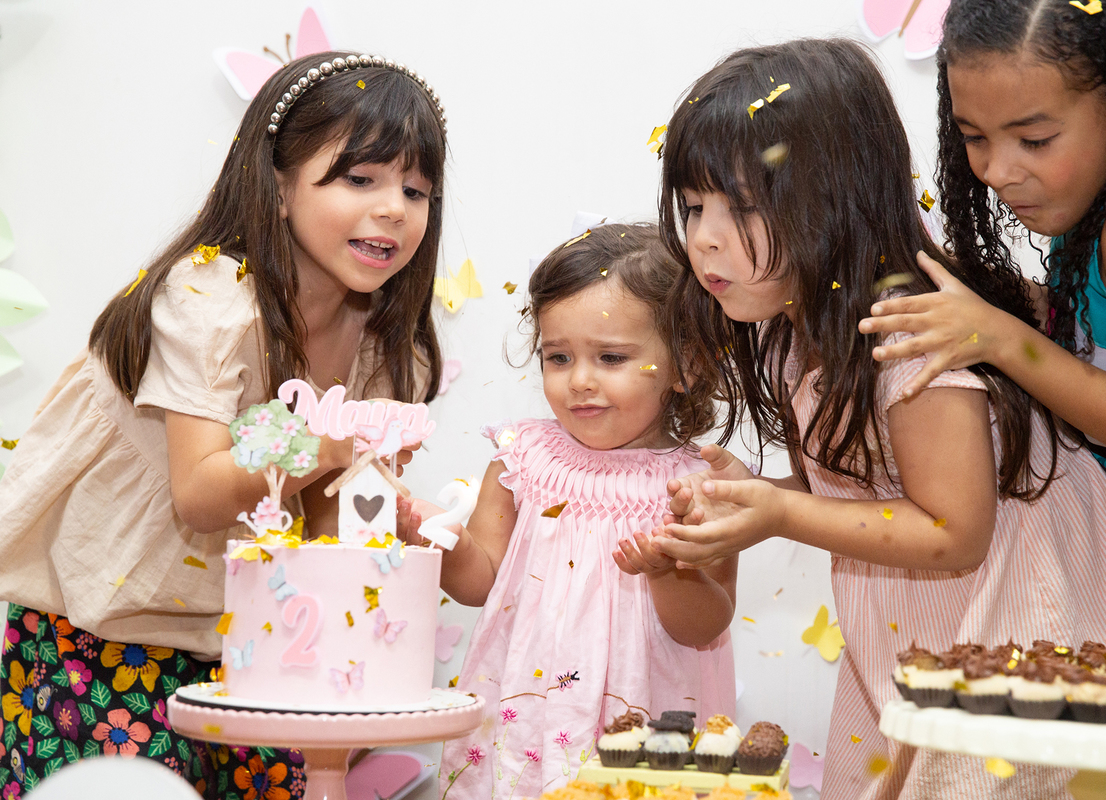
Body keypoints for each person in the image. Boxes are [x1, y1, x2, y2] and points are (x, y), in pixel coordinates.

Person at [650, 39, 1106, 799]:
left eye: (742, 207)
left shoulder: (909, 341)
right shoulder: (794, 330)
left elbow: (953, 533)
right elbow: (862, 482)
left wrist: (779, 512)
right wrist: (758, 487)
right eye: (693, 208)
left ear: (832, 196)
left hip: (1010, 635)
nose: (705, 239)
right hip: (915, 635)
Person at [0, 51, 446, 798]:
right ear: (277, 188)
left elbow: (325, 525)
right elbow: (202, 495)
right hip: (103, 641)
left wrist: (393, 512)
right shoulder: (208, 295)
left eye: (415, 188)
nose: (394, 207)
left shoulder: (383, 344)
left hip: (255, 655)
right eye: (359, 179)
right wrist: (332, 441)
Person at [857, 0, 1106, 655]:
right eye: (974, 136)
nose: (996, 171)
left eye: (1034, 140)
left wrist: (1000, 338)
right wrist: (1007, 295)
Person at [428, 224, 736, 799]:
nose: (580, 382)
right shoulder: (520, 460)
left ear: (686, 365)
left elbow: (706, 626)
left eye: (611, 357)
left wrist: (669, 572)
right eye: (559, 357)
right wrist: (437, 539)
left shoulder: (702, 488)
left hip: (644, 720)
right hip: (527, 716)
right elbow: (479, 585)